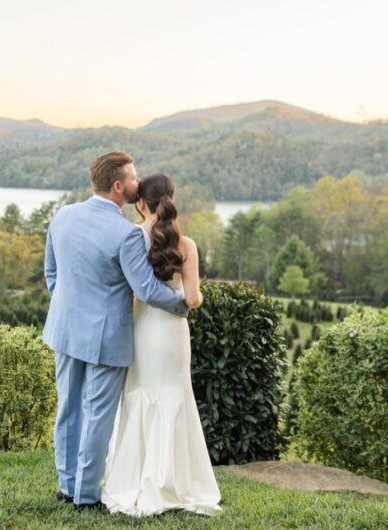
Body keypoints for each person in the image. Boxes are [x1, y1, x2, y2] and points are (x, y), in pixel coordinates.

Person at [42, 152, 195, 511]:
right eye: (133, 178)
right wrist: (184, 303)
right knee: (97, 415)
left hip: (64, 329)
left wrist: (68, 308)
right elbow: (147, 291)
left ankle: (66, 486)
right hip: (105, 338)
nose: (137, 183)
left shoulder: (62, 216)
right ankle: (86, 496)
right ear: (117, 186)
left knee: (68, 409)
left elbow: (52, 273)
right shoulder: (126, 234)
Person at [101, 172, 222, 517]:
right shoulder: (186, 245)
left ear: (141, 203)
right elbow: (193, 299)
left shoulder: (132, 237)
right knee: (173, 395)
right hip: (171, 332)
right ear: (171, 199)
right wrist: (185, 296)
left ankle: (137, 478)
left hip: (142, 328)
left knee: (141, 393)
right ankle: (173, 482)